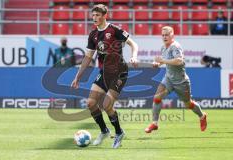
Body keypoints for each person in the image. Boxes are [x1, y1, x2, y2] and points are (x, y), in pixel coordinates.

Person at [71, 4, 138, 148]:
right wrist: (78, 77)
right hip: (104, 73)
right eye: (93, 15)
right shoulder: (93, 35)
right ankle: (104, 131)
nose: (94, 18)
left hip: (119, 72)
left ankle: (119, 133)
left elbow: (133, 44)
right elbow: (88, 57)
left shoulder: (115, 30)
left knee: (107, 105)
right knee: (90, 103)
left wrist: (134, 56)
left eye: (97, 15)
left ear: (104, 15)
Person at [145, 26, 207, 133]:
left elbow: (179, 61)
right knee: (157, 97)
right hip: (168, 79)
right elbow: (165, 61)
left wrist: (163, 61)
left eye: (167, 35)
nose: (164, 37)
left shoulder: (176, 47)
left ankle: (202, 116)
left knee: (188, 104)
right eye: (163, 35)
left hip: (181, 82)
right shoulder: (163, 47)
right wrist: (158, 63)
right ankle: (154, 123)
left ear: (172, 35)